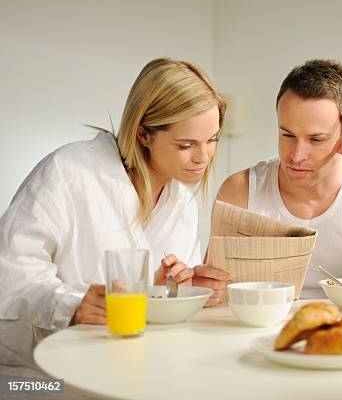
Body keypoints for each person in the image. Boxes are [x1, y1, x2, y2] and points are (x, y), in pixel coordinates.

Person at [0, 58, 227, 376]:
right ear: (144, 134)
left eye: (212, 140)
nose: (203, 157)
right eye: (186, 145)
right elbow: (9, 281)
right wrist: (73, 307)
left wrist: (173, 291)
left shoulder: (182, 205)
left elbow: (152, 309)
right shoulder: (69, 172)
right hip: (42, 378)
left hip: (134, 371)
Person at [206, 59, 342, 298]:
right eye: (287, 135)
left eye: (316, 140)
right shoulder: (241, 190)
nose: (296, 155)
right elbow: (214, 295)